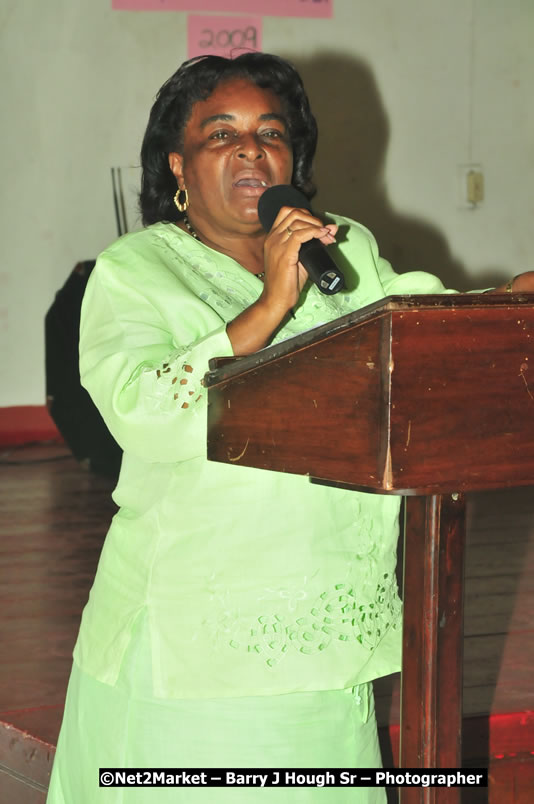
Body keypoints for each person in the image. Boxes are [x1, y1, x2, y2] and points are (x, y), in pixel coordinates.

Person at [46, 53, 533, 804]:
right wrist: (271, 302)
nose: (251, 149)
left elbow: (414, 331)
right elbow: (144, 413)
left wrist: (505, 303)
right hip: (196, 650)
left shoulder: (343, 247)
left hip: (327, 629)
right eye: (221, 134)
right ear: (178, 165)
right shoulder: (135, 270)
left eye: (270, 133)